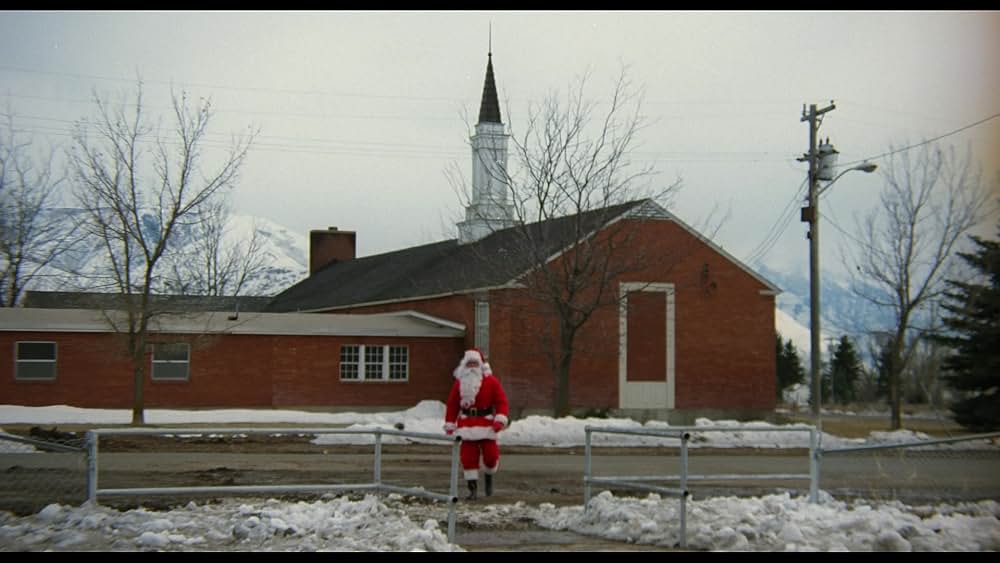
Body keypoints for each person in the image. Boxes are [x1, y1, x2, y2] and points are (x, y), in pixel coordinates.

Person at [443, 348, 510, 500]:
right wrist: (450, 423)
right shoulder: (460, 383)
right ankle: (472, 490)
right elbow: (453, 404)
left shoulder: (491, 381)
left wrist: (500, 419)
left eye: (475, 363)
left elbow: (501, 401)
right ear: (464, 365)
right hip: (466, 425)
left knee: (491, 457)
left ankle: (489, 476)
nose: (472, 367)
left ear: (481, 365)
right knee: (468, 459)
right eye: (469, 363)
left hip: (486, 424)